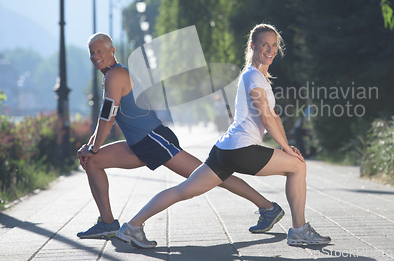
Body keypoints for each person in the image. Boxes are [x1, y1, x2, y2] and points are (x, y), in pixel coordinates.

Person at [116, 24, 331, 248]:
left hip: (224, 150)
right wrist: (287, 149)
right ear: (252, 46)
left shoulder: (257, 77)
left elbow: (273, 116)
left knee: (185, 190)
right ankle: (298, 230)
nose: (270, 50)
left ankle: (131, 226)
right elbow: (267, 117)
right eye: (265, 44)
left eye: (274, 45)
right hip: (242, 149)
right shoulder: (254, 77)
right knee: (297, 166)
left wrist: (285, 144)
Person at [76, 33, 284, 240]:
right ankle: (107, 223)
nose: (95, 56)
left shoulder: (116, 74)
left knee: (213, 176)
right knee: (93, 161)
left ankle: (267, 207)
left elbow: (108, 117)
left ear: (112, 51)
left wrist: (93, 147)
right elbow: (106, 115)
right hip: (138, 144)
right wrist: (91, 147)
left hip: (154, 140)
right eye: (92, 52)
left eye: (99, 51)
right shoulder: (110, 74)